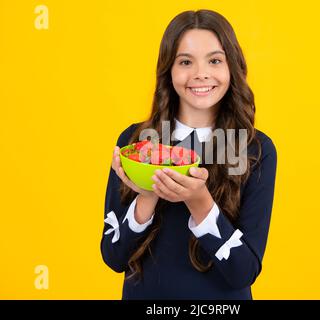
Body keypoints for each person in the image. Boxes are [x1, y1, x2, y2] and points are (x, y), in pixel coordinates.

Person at [101, 9, 277, 299]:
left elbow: (243, 272)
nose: (200, 74)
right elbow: (113, 256)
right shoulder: (135, 144)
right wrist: (147, 194)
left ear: (232, 67)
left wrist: (200, 203)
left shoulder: (256, 150)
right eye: (185, 62)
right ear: (168, 70)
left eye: (215, 60)